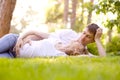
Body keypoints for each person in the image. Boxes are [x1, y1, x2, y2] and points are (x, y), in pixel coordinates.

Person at [0, 23, 106, 58]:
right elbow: (38, 34)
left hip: (13, 56)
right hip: (15, 41)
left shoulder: (81, 52)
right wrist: (23, 38)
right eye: (84, 33)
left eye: (88, 36)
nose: (82, 38)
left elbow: (103, 59)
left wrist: (97, 40)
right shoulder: (66, 35)